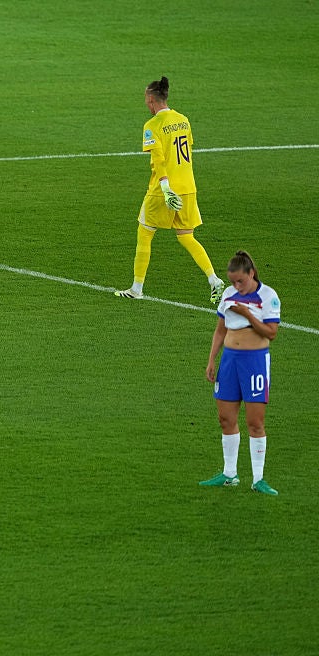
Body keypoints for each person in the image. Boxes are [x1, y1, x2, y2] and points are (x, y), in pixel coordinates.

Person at [115, 76, 225, 302]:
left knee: (144, 233)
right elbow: (187, 152)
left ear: (152, 100)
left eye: (146, 100)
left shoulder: (152, 125)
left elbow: (159, 160)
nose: (146, 104)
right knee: (186, 236)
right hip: (188, 187)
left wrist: (166, 189)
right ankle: (214, 279)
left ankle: (137, 288)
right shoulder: (183, 120)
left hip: (164, 190)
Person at [201, 251, 281, 495]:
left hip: (254, 362)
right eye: (233, 281)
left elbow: (271, 332)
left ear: (251, 274)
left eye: (240, 281)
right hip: (230, 361)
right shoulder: (227, 294)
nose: (236, 286)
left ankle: (258, 479)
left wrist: (247, 315)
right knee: (225, 419)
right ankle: (229, 474)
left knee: (255, 421)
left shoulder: (268, 296)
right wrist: (212, 360)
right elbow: (220, 330)